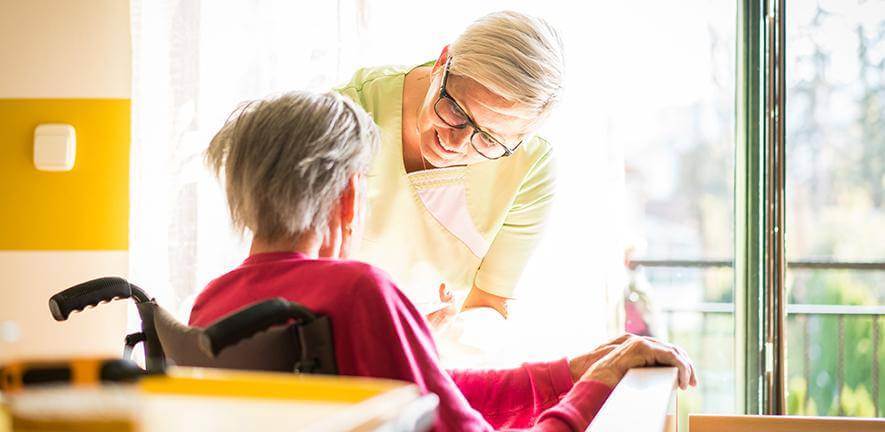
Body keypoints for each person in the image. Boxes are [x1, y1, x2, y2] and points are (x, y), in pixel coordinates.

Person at [189, 91, 698, 431]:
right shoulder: (357, 291)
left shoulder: (214, 303)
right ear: (349, 195)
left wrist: (566, 376)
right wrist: (595, 391)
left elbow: (429, 394)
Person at [336, 11, 565, 325]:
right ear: (442, 62)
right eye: (456, 111)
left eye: (488, 139)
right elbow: (285, 269)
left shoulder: (528, 166)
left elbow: (491, 302)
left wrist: (447, 330)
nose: (456, 144)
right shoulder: (349, 115)